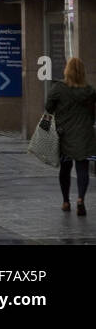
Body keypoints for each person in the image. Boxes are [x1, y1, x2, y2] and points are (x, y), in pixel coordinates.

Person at [45, 57, 96, 217]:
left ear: (67, 70)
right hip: (84, 135)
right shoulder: (90, 91)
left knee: (65, 169)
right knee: (82, 169)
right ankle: (80, 199)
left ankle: (66, 201)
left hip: (64, 134)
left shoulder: (58, 88)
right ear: (82, 72)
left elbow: (48, 108)